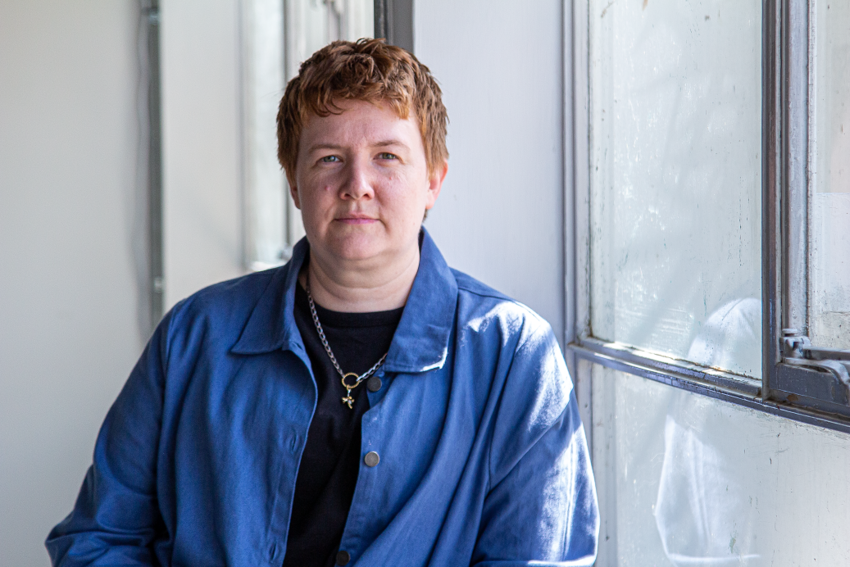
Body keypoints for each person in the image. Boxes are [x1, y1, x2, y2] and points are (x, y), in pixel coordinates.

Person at [46, 38, 598, 567]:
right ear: (293, 182)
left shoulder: (513, 356)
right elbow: (98, 538)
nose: (357, 184)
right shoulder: (194, 336)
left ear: (433, 180)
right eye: (330, 157)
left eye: (387, 156)